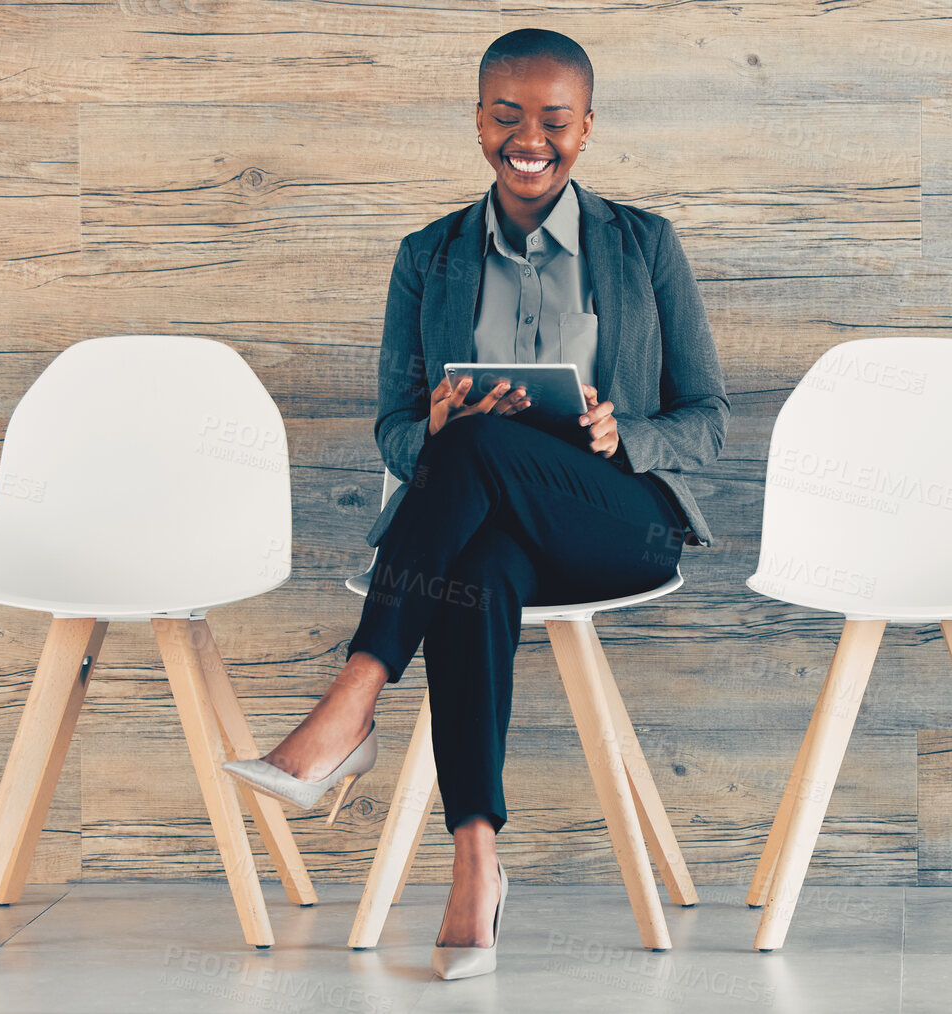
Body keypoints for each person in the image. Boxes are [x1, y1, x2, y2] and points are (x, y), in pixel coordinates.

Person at [222, 27, 727, 980]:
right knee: (473, 564)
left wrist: (629, 436)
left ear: (586, 127)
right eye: (505, 116)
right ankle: (475, 869)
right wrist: (433, 425)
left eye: (554, 120)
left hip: (618, 521)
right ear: (478, 120)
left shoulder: (643, 245)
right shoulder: (429, 255)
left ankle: (351, 701)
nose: (527, 138)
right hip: (485, 526)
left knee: (487, 445)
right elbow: (394, 431)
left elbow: (710, 418)